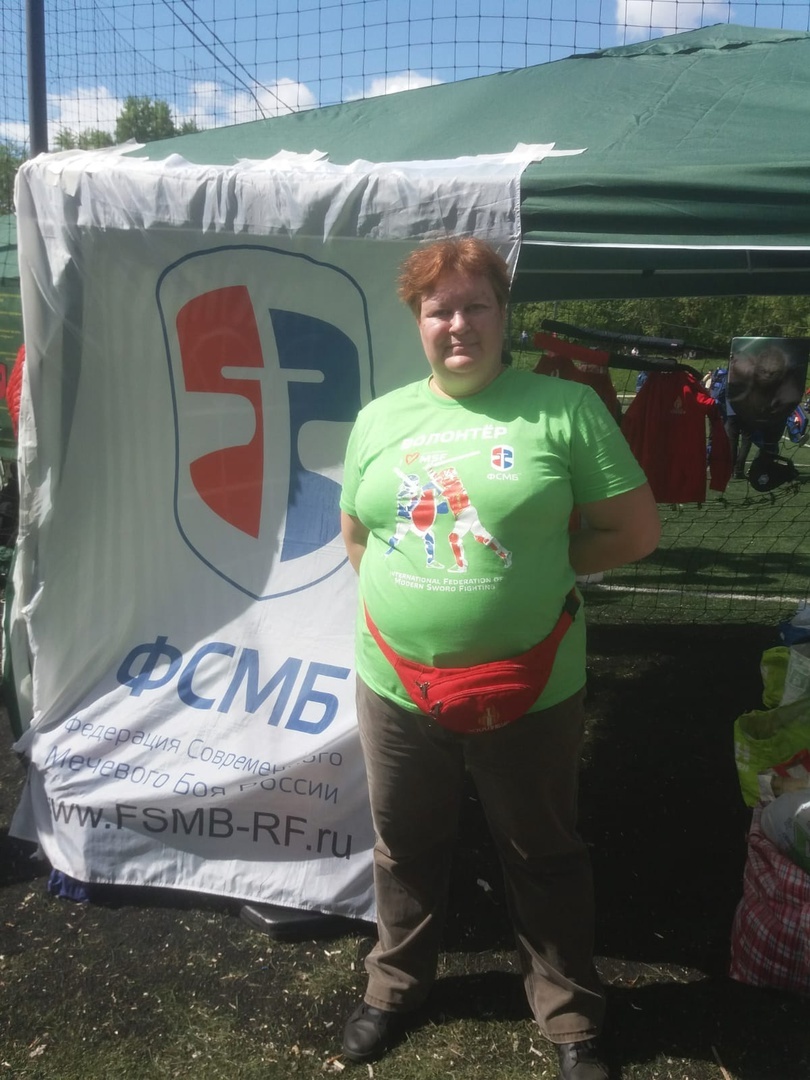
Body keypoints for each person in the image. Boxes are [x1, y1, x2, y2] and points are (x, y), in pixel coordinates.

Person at [338, 237, 660, 1080]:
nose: (458, 324)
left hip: (532, 688)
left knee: (542, 852)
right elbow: (358, 535)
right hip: (396, 686)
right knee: (404, 847)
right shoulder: (380, 419)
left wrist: (539, 566)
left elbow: (634, 532)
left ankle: (570, 1013)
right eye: (439, 309)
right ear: (417, 321)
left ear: (503, 314)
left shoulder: (565, 409)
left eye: (475, 305)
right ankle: (394, 986)